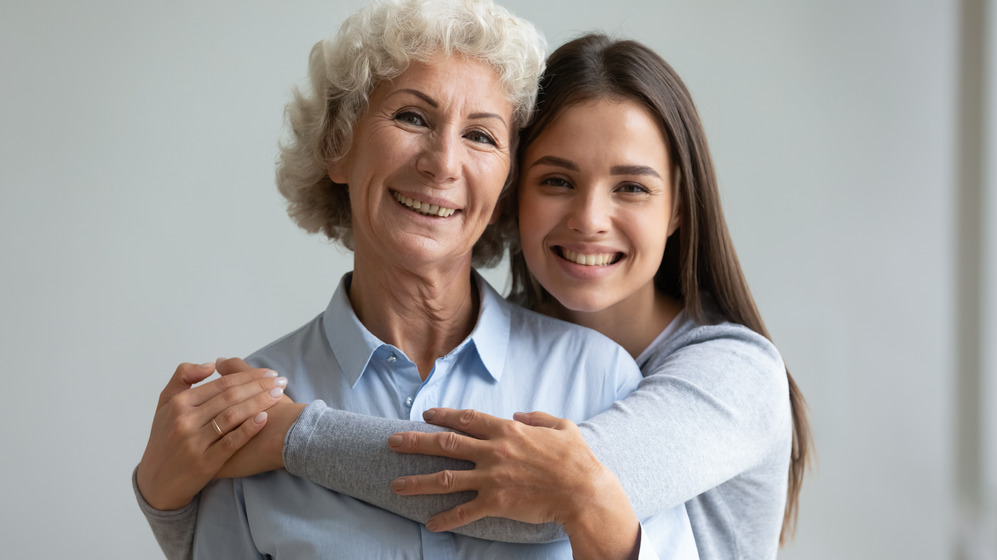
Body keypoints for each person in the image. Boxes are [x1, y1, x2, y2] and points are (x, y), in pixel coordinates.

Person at [134, 1, 699, 559]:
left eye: (481, 135)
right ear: (338, 147)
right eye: (412, 117)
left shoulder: (601, 383)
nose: (443, 162)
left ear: (506, 184)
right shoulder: (244, 416)